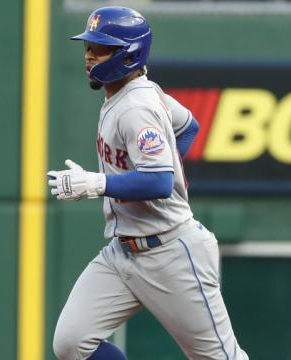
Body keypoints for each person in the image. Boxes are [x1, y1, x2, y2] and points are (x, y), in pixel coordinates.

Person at [47, 6, 249, 360]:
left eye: (101, 48)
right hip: (122, 253)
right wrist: (158, 163)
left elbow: (158, 183)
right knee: (72, 343)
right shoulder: (138, 93)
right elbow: (187, 127)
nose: (90, 56)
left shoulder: (135, 105)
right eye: (88, 48)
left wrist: (98, 183)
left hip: (170, 252)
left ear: (129, 54)